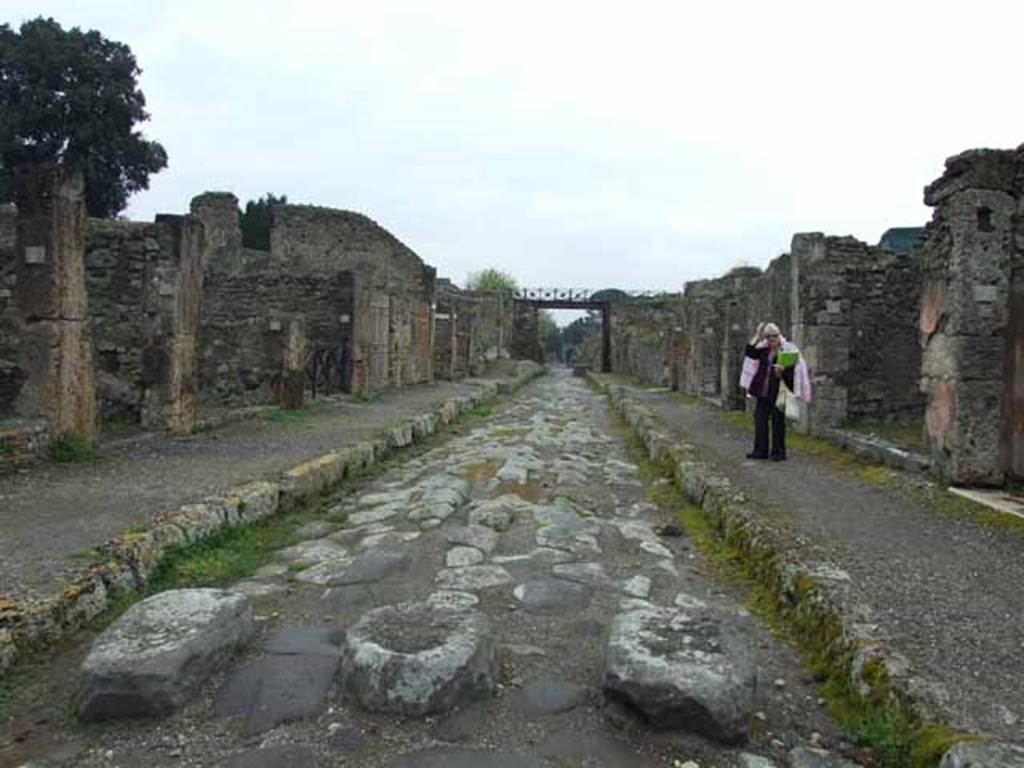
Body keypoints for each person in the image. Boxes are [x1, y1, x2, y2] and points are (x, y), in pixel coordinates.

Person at [742, 322, 795, 461]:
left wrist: (782, 371)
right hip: (763, 391)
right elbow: (749, 351)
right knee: (760, 421)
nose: (771, 340)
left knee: (778, 422)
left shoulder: (787, 351)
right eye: (768, 337)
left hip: (778, 392)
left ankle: (778, 452)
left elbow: (792, 374)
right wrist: (757, 335)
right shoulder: (763, 350)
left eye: (774, 337)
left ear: (779, 336)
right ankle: (760, 451)